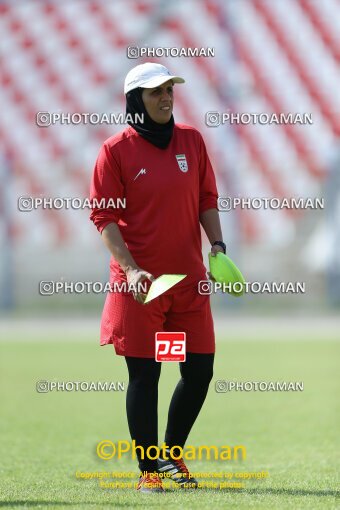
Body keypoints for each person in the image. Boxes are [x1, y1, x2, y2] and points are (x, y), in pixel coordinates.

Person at [90, 62, 225, 493]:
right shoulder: (115, 151)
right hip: (143, 288)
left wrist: (218, 247)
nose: (166, 97)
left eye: (169, 89)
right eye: (155, 92)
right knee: (146, 376)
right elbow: (104, 217)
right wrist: (130, 270)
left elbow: (207, 196)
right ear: (135, 100)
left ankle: (171, 455)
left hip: (187, 286)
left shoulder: (192, 140)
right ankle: (149, 471)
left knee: (198, 371)